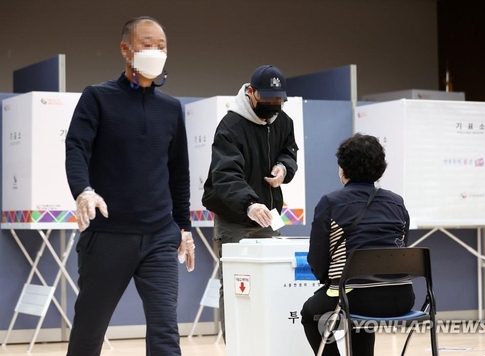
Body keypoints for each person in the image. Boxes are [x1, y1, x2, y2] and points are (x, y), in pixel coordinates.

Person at [65, 16, 195, 356]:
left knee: (166, 332)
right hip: (108, 235)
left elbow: (178, 171)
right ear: (126, 50)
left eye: (162, 45)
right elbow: (76, 148)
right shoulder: (97, 98)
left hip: (159, 237)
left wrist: (184, 227)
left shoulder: (171, 109)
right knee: (89, 332)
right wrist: (83, 190)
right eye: (147, 43)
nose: (156, 50)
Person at [202, 65, 299, 338]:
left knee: (271, 279)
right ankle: (236, 343)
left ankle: (266, 340)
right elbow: (225, 175)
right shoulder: (230, 126)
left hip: (268, 216)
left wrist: (284, 168)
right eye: (267, 99)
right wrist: (249, 204)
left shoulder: (283, 122)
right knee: (236, 283)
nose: (273, 105)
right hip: (235, 218)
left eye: (278, 100)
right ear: (251, 92)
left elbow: (289, 152)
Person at [301, 134, 415, 356]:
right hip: (401, 297)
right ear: (380, 168)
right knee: (358, 299)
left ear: (343, 169)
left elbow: (317, 259)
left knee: (311, 313)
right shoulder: (396, 202)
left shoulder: (331, 203)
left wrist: (327, 279)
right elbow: (400, 249)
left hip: (354, 298)